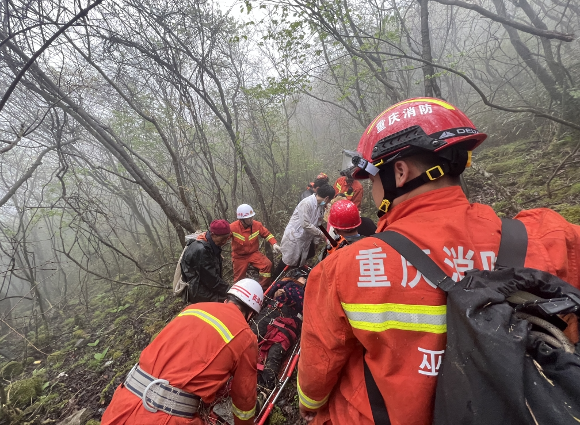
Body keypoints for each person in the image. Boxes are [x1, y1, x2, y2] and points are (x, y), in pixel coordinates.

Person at [296, 97, 580, 425]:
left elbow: (316, 373)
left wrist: (310, 405)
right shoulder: (549, 236)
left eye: (372, 177)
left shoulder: (342, 270)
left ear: (399, 172)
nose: (370, 188)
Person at [102, 278, 264, 425]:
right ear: (250, 315)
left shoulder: (193, 308)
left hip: (120, 405)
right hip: (166, 418)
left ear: (227, 299)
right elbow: (244, 398)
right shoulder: (246, 337)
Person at [252, 268, 309, 409]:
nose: (305, 280)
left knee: (275, 355)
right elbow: (271, 294)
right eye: (304, 277)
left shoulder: (310, 294)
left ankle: (262, 392)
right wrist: (277, 294)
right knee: (250, 338)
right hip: (272, 311)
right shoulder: (286, 283)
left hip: (289, 322)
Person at [274, 183, 336, 278]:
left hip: (305, 238)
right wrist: (321, 235)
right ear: (327, 198)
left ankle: (292, 277)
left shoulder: (320, 208)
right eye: (329, 200)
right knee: (286, 262)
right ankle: (275, 279)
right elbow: (305, 224)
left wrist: (316, 241)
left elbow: (318, 224)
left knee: (300, 260)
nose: (328, 203)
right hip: (294, 237)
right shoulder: (306, 203)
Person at [180, 219, 231, 304]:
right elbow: (211, 279)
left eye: (227, 238)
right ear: (213, 234)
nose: (225, 241)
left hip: (206, 286)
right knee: (229, 302)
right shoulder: (201, 250)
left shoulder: (209, 242)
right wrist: (230, 290)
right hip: (199, 291)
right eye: (223, 238)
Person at [231, 204, 281, 288]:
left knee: (267, 264)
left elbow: (267, 234)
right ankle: (239, 294)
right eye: (248, 218)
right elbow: (222, 238)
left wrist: (274, 243)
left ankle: (263, 288)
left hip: (253, 253)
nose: (251, 220)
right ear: (241, 219)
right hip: (239, 256)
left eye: (252, 217)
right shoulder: (232, 227)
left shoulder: (257, 225)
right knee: (239, 279)